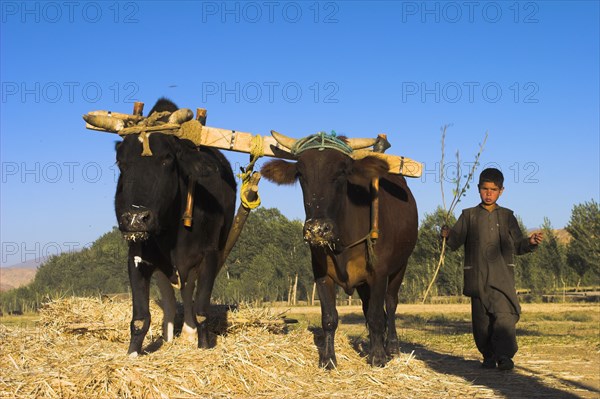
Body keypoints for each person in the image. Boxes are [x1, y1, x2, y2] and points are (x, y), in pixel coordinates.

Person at [441, 168, 543, 371]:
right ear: (478, 189)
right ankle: (488, 356)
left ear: (501, 191)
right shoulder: (468, 215)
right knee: (481, 321)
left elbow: (517, 246)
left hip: (502, 277)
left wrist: (530, 242)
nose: (489, 193)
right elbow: (454, 241)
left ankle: (504, 356)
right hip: (477, 277)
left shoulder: (507, 217)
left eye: (493, 189)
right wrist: (446, 235)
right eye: (485, 189)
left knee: (504, 317)